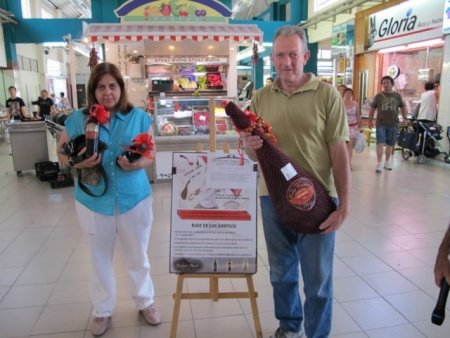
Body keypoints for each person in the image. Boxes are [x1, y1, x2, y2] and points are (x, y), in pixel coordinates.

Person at [240, 25, 350, 338]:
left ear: (305, 55)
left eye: (292, 54)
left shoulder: (326, 95)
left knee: (317, 280)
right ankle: (289, 326)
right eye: (279, 55)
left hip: (317, 200)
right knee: (280, 273)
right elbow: (254, 157)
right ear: (272, 58)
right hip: (271, 199)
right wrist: (250, 148)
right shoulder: (260, 98)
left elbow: (339, 153)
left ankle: (317, 334)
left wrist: (345, 205)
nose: (286, 61)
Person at [56, 62, 160, 337]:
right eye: (101, 87)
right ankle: (102, 310)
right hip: (92, 200)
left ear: (120, 89)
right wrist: (76, 163)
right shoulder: (78, 119)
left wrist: (135, 166)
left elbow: (151, 155)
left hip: (134, 199)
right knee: (99, 256)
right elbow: (61, 152)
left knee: (138, 254)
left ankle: (145, 301)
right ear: (93, 91)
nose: (107, 92)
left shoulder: (139, 117)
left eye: (112, 86)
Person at [368, 75, 407, 173]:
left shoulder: (397, 96)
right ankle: (379, 163)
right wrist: (370, 120)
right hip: (381, 123)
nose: (385, 84)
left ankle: (387, 162)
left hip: (393, 123)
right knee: (380, 143)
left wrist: (405, 118)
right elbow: (372, 109)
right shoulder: (378, 96)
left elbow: (403, 107)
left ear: (392, 84)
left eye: (387, 82)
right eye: (383, 83)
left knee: (390, 144)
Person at [343, 88, 362, 169]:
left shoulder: (355, 104)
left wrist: (360, 126)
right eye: (346, 93)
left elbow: (357, 115)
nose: (348, 94)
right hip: (342, 127)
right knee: (342, 146)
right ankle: (342, 162)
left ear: (352, 94)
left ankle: (348, 163)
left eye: (350, 93)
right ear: (343, 94)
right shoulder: (339, 102)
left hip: (352, 127)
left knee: (350, 145)